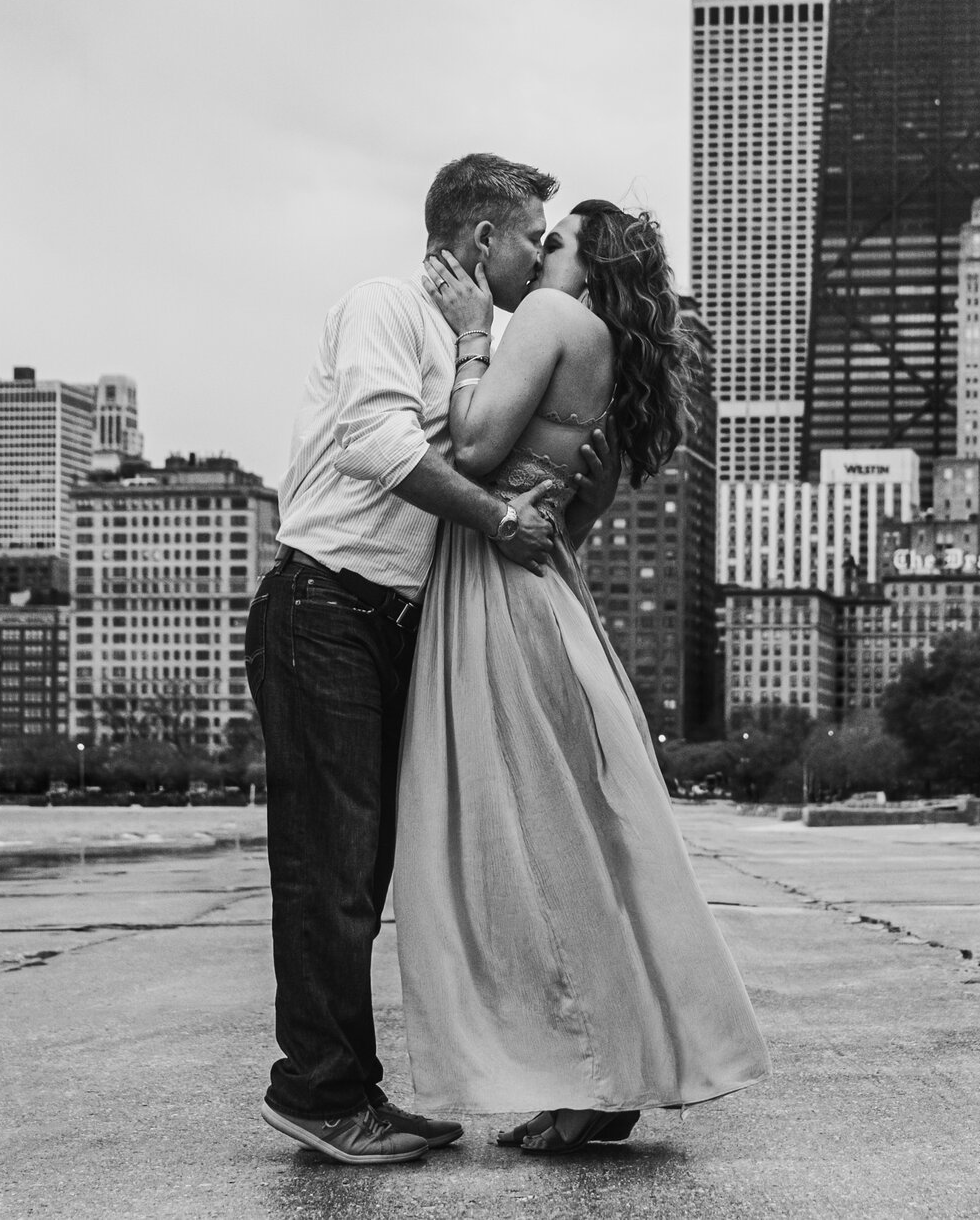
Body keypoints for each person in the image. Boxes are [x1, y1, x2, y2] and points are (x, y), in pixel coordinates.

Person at [248, 153, 613, 1165]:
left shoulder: (475, 346)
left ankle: (348, 1086)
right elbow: (375, 445)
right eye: (531, 234)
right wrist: (498, 516)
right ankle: (317, 1093)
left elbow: (465, 449)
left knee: (361, 866)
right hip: (322, 602)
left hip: (386, 621)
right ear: (478, 238)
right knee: (329, 866)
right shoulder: (383, 304)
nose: (541, 251)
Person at [392, 198, 769, 1154]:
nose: (537, 250)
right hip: (547, 596)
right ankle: (605, 1074)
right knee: (578, 848)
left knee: (536, 850)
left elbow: (471, 447)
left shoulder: (554, 321)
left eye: (554, 241)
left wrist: (475, 335)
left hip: (498, 595)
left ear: (587, 266)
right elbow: (571, 520)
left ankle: (592, 1074)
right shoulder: (609, 361)